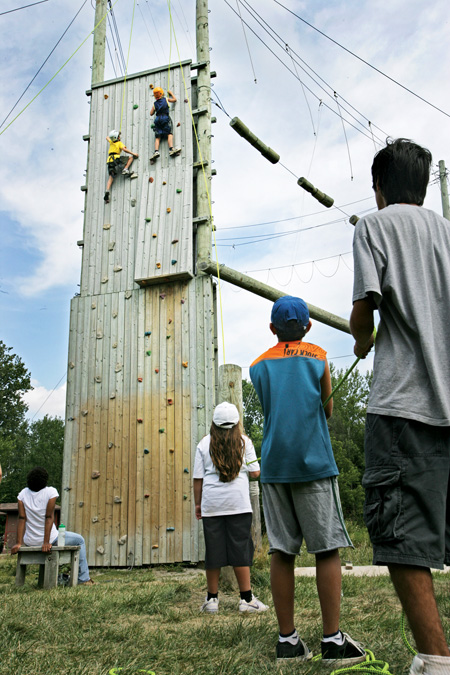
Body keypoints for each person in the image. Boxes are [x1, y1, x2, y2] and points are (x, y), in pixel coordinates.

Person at [350, 138, 450, 675]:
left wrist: (363, 340)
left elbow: (365, 311)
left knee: (403, 538)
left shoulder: (374, 226)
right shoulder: (448, 232)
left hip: (403, 407)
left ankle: (436, 660)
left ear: (380, 188)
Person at [250, 296, 366, 665]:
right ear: (308, 327)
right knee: (325, 549)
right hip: (314, 462)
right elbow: (326, 409)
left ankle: (288, 642)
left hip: (275, 466)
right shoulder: (318, 356)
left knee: (282, 551)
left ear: (273, 329)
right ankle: (332, 641)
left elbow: (271, 407)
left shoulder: (257, 365)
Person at [193, 401, 268, 614]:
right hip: (239, 505)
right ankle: (246, 600)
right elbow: (255, 473)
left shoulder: (203, 443)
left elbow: (198, 478)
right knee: (241, 549)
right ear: (237, 423)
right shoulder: (245, 442)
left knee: (214, 551)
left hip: (212, 506)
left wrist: (198, 504)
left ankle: (211, 601)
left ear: (214, 424)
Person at [10, 466, 93, 585]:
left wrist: (18, 543)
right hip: (50, 539)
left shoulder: (22, 494)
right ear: (45, 479)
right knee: (79, 540)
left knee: (70, 537)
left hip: (30, 541)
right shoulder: (51, 492)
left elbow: (21, 518)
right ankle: (83, 579)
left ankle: (76, 578)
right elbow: (48, 517)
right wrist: (46, 542)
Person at [104, 129, 139, 204]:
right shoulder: (119, 143)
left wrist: (112, 136)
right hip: (116, 158)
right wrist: (133, 153)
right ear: (117, 137)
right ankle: (125, 169)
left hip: (109, 161)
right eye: (119, 136)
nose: (120, 137)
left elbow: (107, 137)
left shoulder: (111, 142)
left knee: (111, 176)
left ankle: (107, 190)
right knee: (130, 158)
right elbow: (124, 150)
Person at [149, 87, 181, 161]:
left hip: (157, 119)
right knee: (169, 133)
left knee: (158, 137)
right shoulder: (166, 99)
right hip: (165, 117)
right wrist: (171, 94)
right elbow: (174, 100)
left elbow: (151, 113)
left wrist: (155, 108)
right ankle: (171, 149)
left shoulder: (155, 103)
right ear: (162, 93)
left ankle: (156, 151)